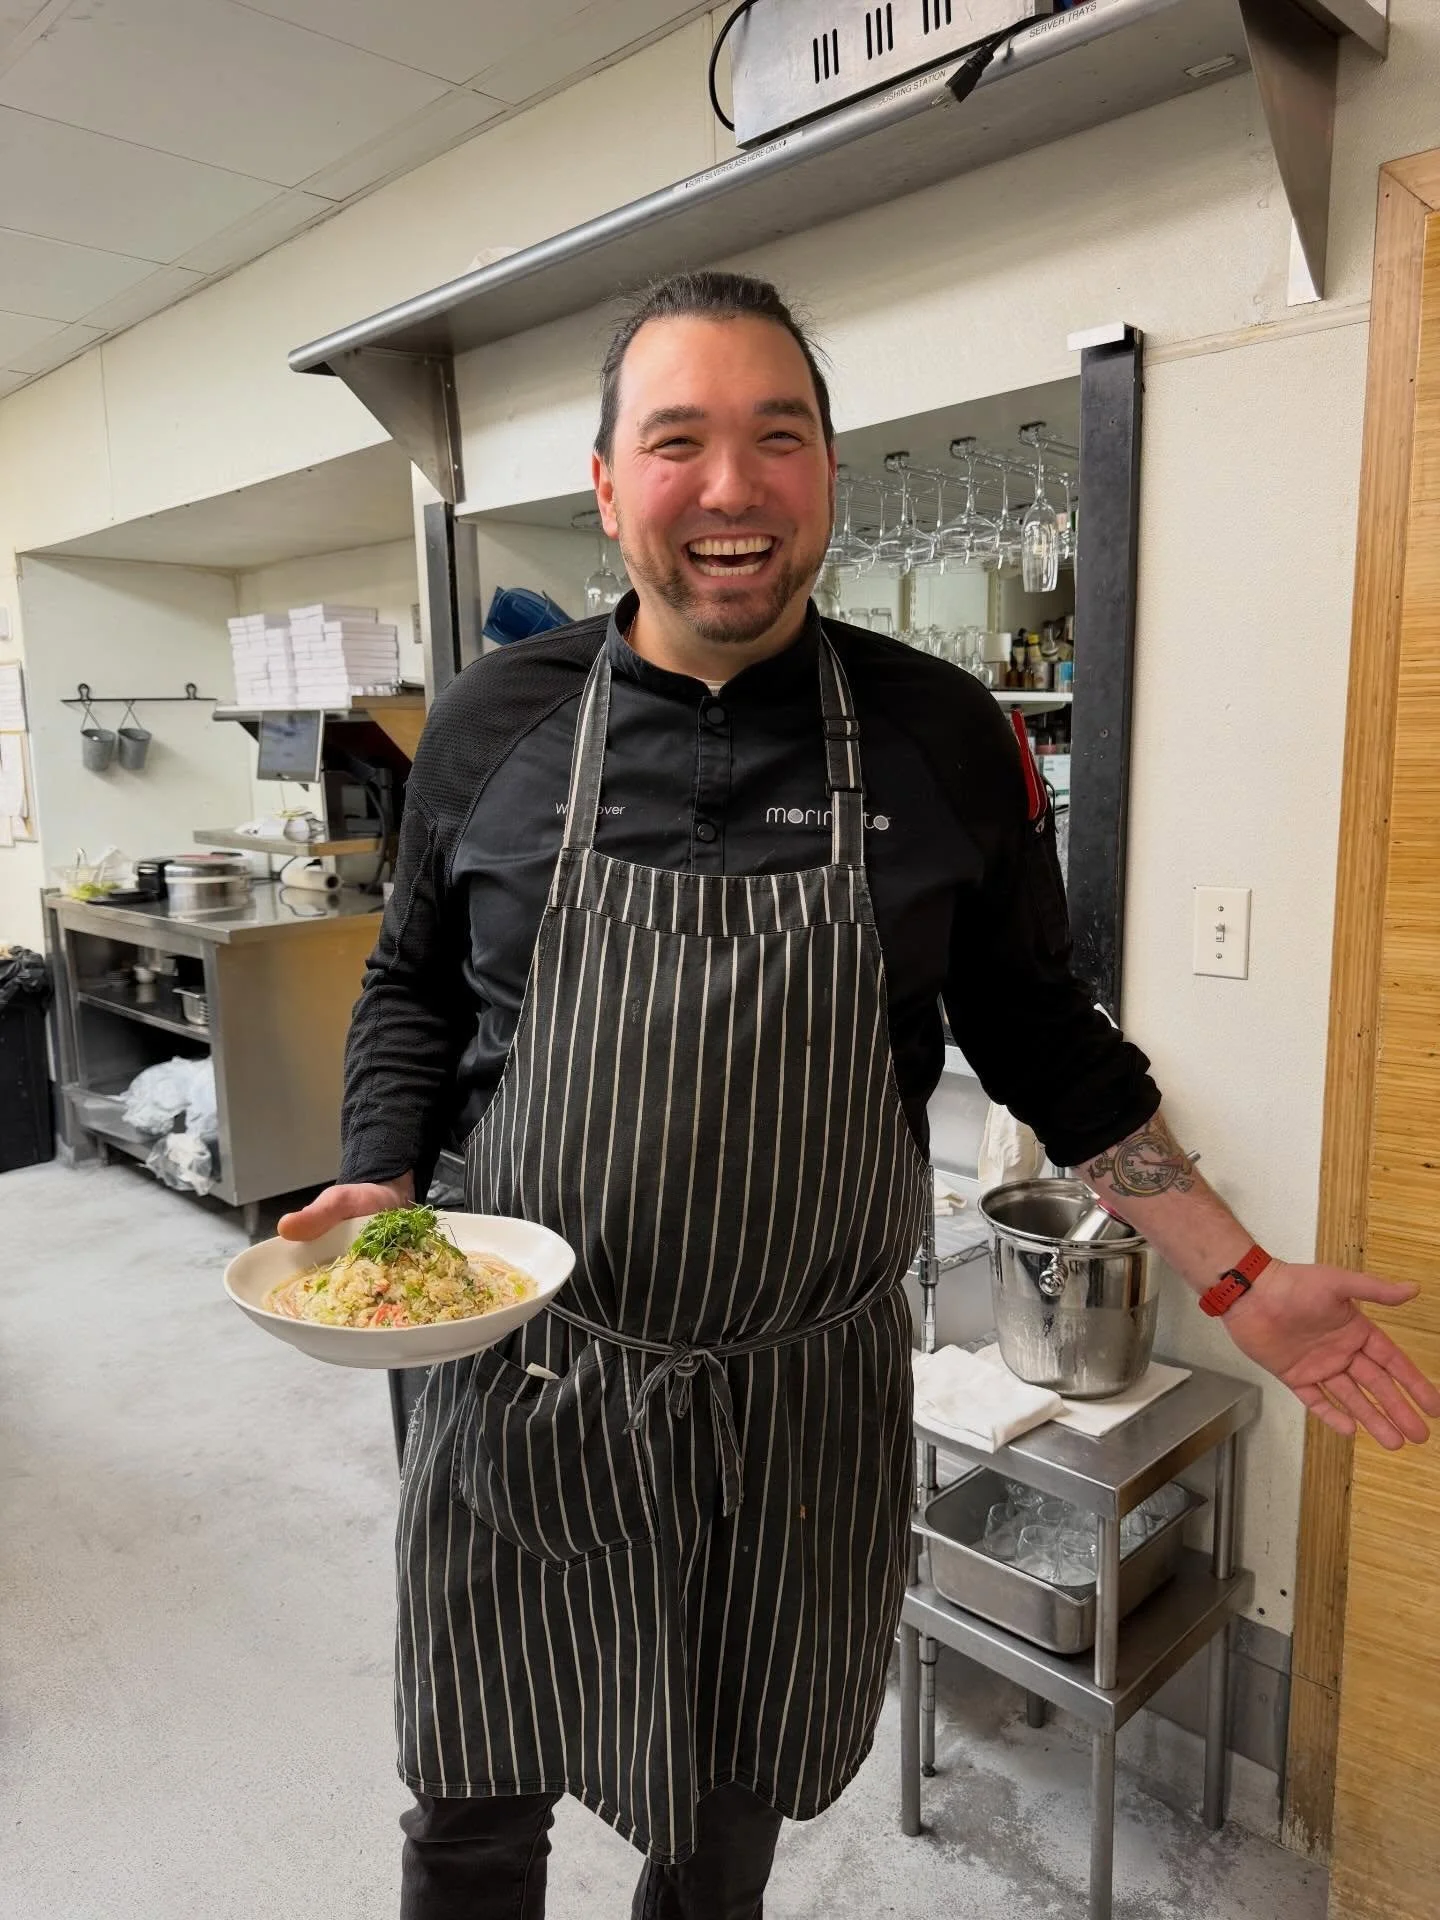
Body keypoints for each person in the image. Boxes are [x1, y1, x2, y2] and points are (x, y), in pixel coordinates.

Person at [280, 271, 1440, 1919]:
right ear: (609, 487)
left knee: (723, 1826)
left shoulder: (941, 738)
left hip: (801, 1411)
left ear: (825, 472)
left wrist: (1236, 1275)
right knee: (474, 1800)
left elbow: (1050, 1040)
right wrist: (383, 1186)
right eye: (677, 441)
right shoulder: (486, 731)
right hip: (529, 1382)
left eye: (780, 435)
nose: (732, 486)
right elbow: (410, 986)